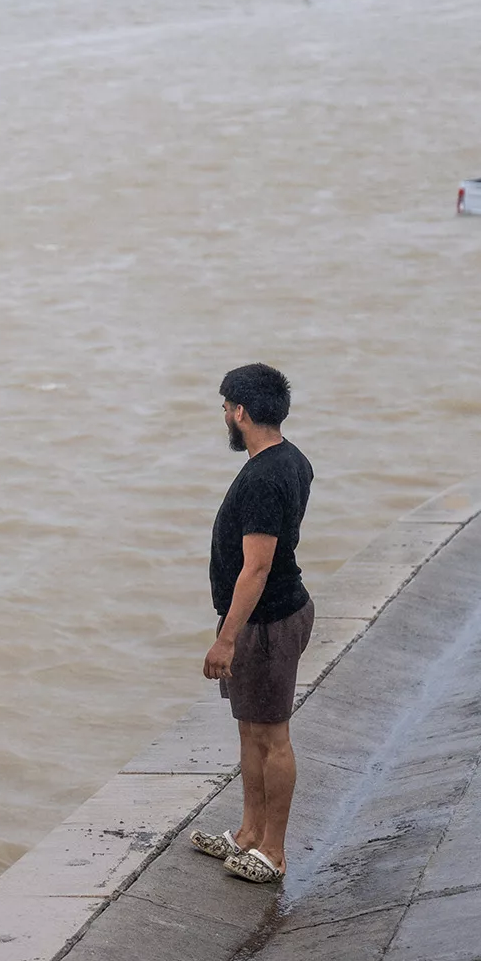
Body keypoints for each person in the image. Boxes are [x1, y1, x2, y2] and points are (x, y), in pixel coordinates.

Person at [187, 363, 314, 885]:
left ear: (240, 411)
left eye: (224, 407)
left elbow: (257, 566)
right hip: (273, 615)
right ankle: (247, 834)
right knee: (250, 731)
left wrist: (227, 638)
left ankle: (274, 852)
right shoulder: (291, 459)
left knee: (272, 736)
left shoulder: (263, 477)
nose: (223, 416)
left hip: (267, 623)